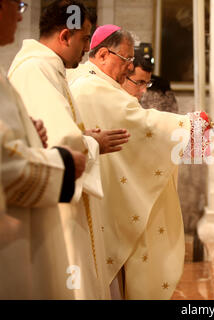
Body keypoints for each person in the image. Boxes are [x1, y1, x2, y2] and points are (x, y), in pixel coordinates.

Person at [67, 25, 211, 299]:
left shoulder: (89, 80)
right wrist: (187, 125)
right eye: (126, 59)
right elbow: (140, 123)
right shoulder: (92, 87)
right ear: (104, 55)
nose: (129, 67)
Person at [8, 0, 130, 299]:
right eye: (84, 38)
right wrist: (92, 142)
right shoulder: (36, 69)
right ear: (65, 36)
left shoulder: (48, 67)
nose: (87, 47)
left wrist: (84, 136)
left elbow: (49, 131)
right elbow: (62, 141)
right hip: (53, 208)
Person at [0, 0, 88, 299]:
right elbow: (5, 160)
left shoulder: (46, 67)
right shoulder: (37, 68)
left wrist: (27, 136)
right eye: (18, 4)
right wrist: (63, 163)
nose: (20, 13)